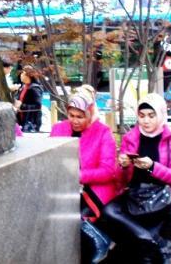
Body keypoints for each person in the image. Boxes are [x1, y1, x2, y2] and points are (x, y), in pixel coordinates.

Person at [102, 93, 171, 264]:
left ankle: (149, 241)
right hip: (136, 197)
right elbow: (122, 180)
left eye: (151, 115)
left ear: (161, 114)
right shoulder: (131, 138)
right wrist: (123, 165)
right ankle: (149, 239)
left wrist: (153, 167)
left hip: (161, 200)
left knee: (145, 257)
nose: (146, 121)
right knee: (109, 211)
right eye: (141, 116)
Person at [51, 85, 119, 263]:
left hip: (93, 191)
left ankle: (99, 241)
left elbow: (108, 170)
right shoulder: (58, 129)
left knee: (72, 217)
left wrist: (78, 175)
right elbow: (50, 160)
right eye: (71, 116)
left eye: (80, 117)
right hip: (63, 188)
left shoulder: (103, 132)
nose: (75, 121)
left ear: (89, 114)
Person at [14, 65, 42, 133]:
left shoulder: (34, 88)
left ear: (28, 76)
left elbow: (38, 106)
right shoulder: (23, 87)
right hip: (22, 118)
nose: (21, 75)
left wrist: (22, 105)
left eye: (23, 74)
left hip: (31, 121)